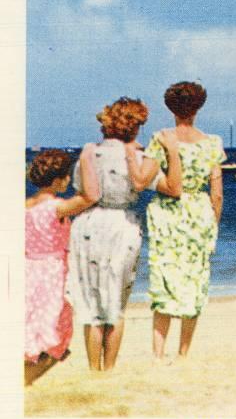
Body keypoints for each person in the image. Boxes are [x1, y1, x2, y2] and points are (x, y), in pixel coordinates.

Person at [67, 97, 182, 372]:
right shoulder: (140, 159)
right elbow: (172, 188)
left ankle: (94, 370)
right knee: (115, 304)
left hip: (87, 224)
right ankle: (109, 370)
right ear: (135, 127)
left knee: (93, 307)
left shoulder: (88, 154)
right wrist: (172, 153)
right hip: (122, 226)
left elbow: (79, 188)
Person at [128, 81, 225, 363]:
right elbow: (216, 193)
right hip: (200, 212)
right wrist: (213, 225)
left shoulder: (161, 139)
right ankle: (183, 353)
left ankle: (158, 355)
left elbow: (143, 179)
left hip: (168, 215)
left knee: (165, 279)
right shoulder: (213, 143)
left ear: (170, 107)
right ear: (199, 107)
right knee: (195, 280)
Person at [25, 149, 99, 385]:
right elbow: (89, 197)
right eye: (67, 176)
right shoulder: (55, 207)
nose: (69, 181)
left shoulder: (24, 205)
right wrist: (87, 160)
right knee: (55, 329)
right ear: (58, 180)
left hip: (27, 270)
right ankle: (24, 380)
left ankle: (24, 378)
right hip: (51, 272)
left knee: (32, 326)